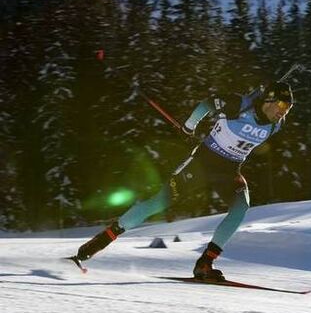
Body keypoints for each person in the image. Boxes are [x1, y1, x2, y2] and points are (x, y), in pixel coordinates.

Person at [70, 82, 294, 281]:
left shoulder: (277, 124)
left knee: (240, 208)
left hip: (229, 170)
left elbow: (257, 108)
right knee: (158, 203)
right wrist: (189, 125)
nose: (283, 113)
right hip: (201, 163)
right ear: (269, 100)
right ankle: (97, 243)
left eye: (288, 109)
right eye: (282, 106)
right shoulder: (237, 104)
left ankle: (205, 264)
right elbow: (206, 105)